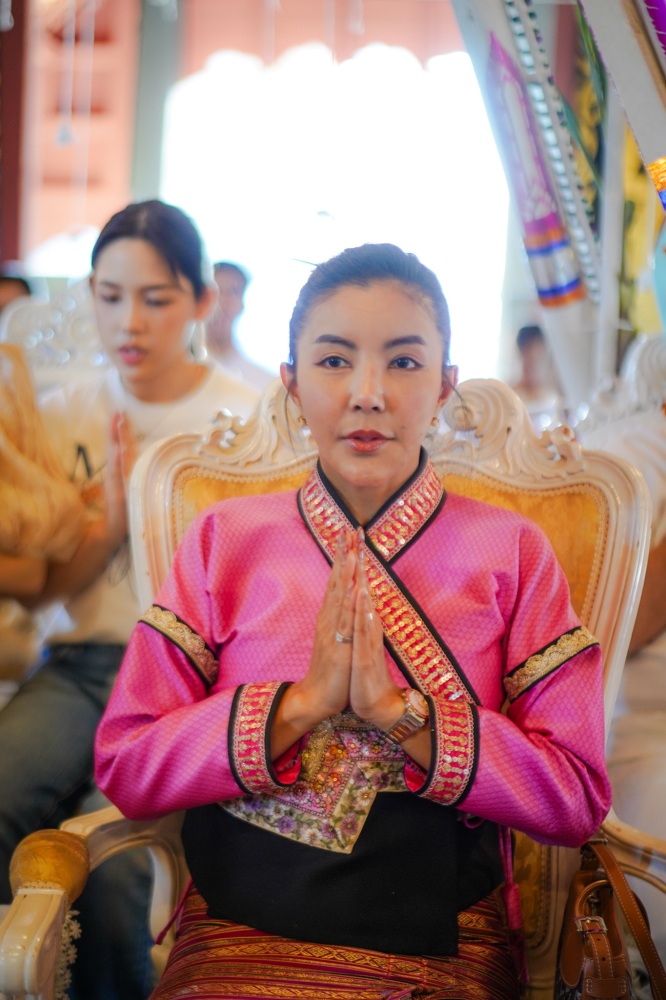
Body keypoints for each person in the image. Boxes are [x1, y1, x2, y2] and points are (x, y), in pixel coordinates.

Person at [95, 243, 611, 1000]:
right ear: (292, 383)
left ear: (444, 385)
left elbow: (575, 797)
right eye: (334, 361)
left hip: (439, 943)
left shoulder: (513, 551)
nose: (368, 394)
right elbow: (126, 765)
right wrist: (299, 705)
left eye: (404, 362)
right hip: (238, 932)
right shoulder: (223, 541)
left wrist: (402, 715)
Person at [0, 200, 259, 1000]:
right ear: (90, 294)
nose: (130, 322)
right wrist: (109, 523)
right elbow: (50, 586)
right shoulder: (65, 412)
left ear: (201, 301)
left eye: (156, 298)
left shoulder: (242, 422)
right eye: (110, 297)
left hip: (184, 682)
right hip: (81, 663)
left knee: (113, 866)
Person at [205, 261, 275, 390]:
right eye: (216, 291)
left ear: (242, 305)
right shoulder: (176, 372)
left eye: (233, 292)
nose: (222, 301)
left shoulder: (264, 383)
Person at [511, 323, 564, 432]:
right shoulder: (511, 394)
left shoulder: (554, 393)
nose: (532, 362)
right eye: (527, 357)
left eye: (536, 359)